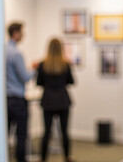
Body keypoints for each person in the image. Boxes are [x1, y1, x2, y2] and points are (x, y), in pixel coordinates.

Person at [36, 38, 75, 162]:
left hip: (48, 101)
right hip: (63, 101)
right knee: (65, 132)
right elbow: (71, 81)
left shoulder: (42, 64)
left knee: (46, 132)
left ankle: (42, 158)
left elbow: (39, 83)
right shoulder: (66, 64)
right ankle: (67, 157)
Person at [6, 22, 35, 162]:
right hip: (17, 100)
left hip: (5, 99)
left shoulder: (3, 50)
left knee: (4, 134)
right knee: (21, 136)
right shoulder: (16, 53)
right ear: (16, 33)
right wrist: (35, 68)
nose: (23, 35)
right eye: (22, 32)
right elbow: (25, 77)